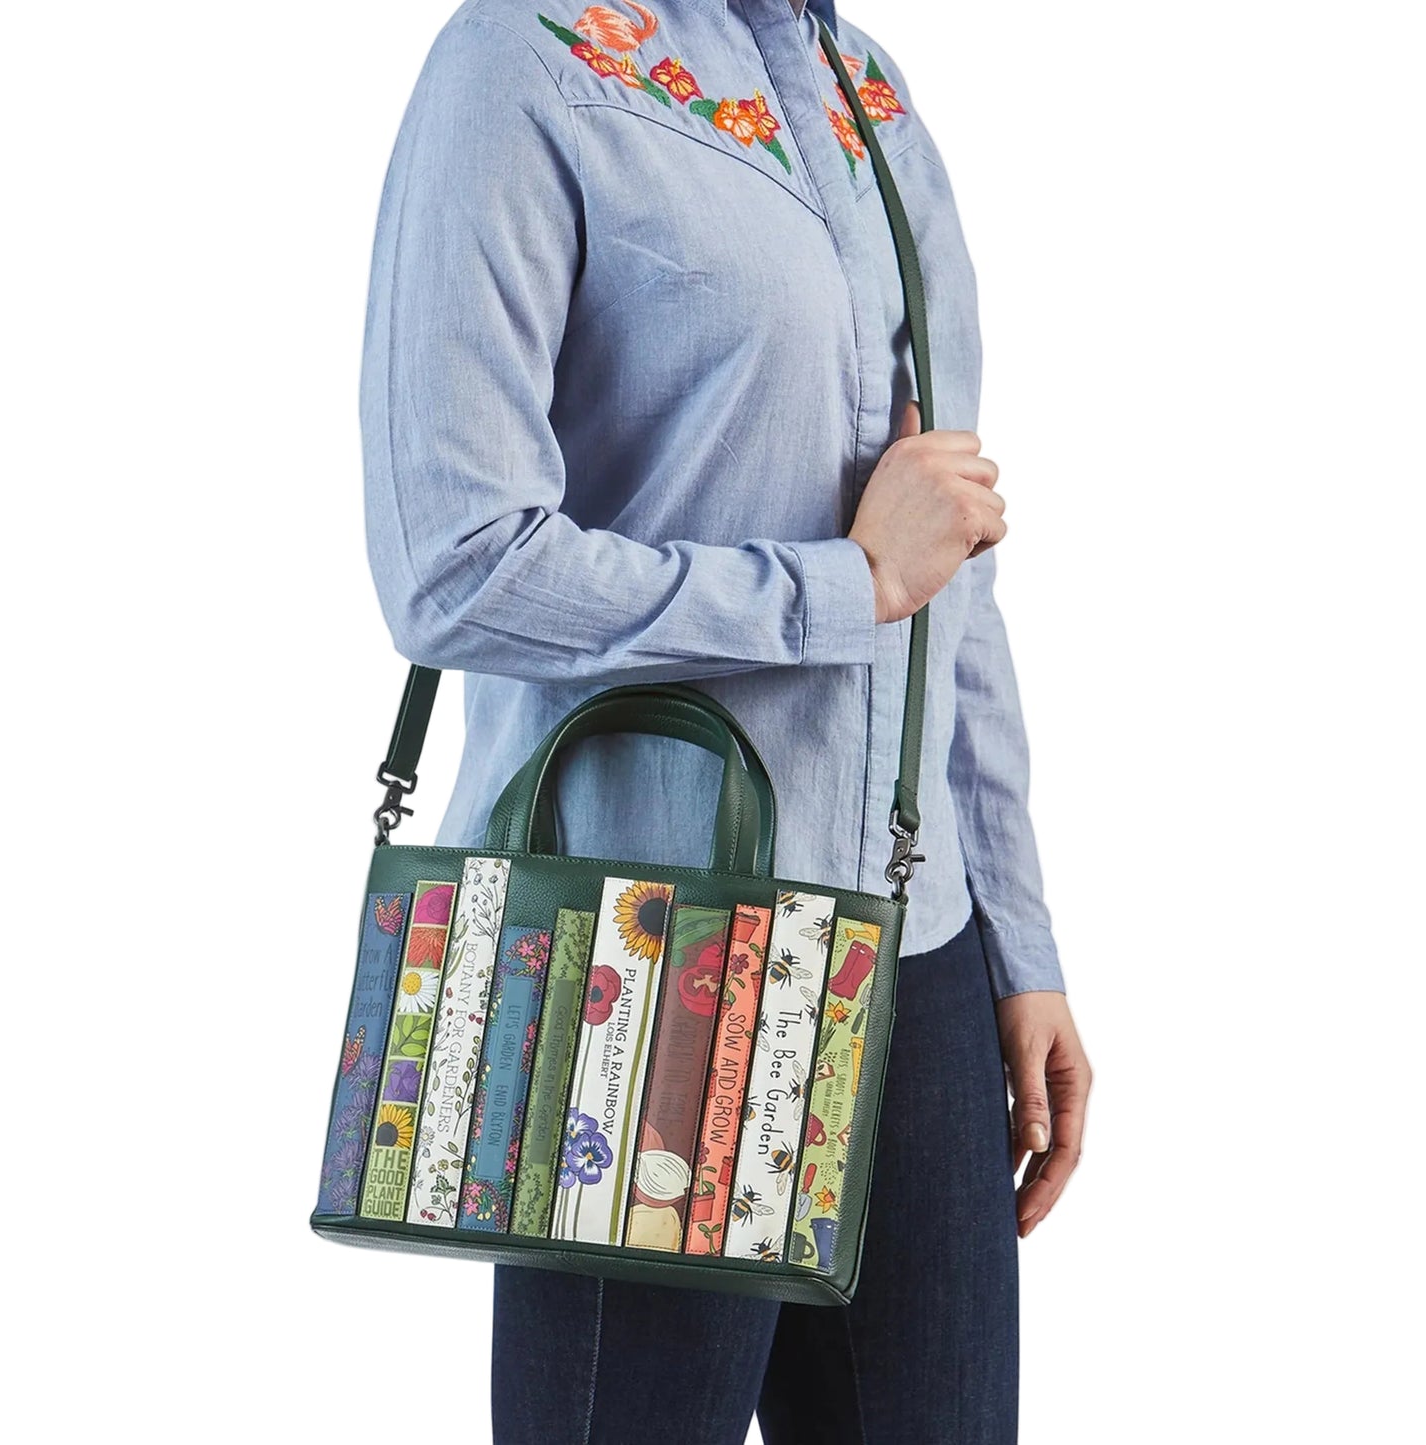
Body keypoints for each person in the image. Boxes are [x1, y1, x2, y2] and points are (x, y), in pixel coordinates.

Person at [359, 0, 1092, 1439]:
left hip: (915, 946)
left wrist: (1019, 936)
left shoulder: (863, 89)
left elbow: (948, 565)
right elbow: (451, 559)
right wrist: (841, 584)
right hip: (651, 947)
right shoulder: (527, 59)